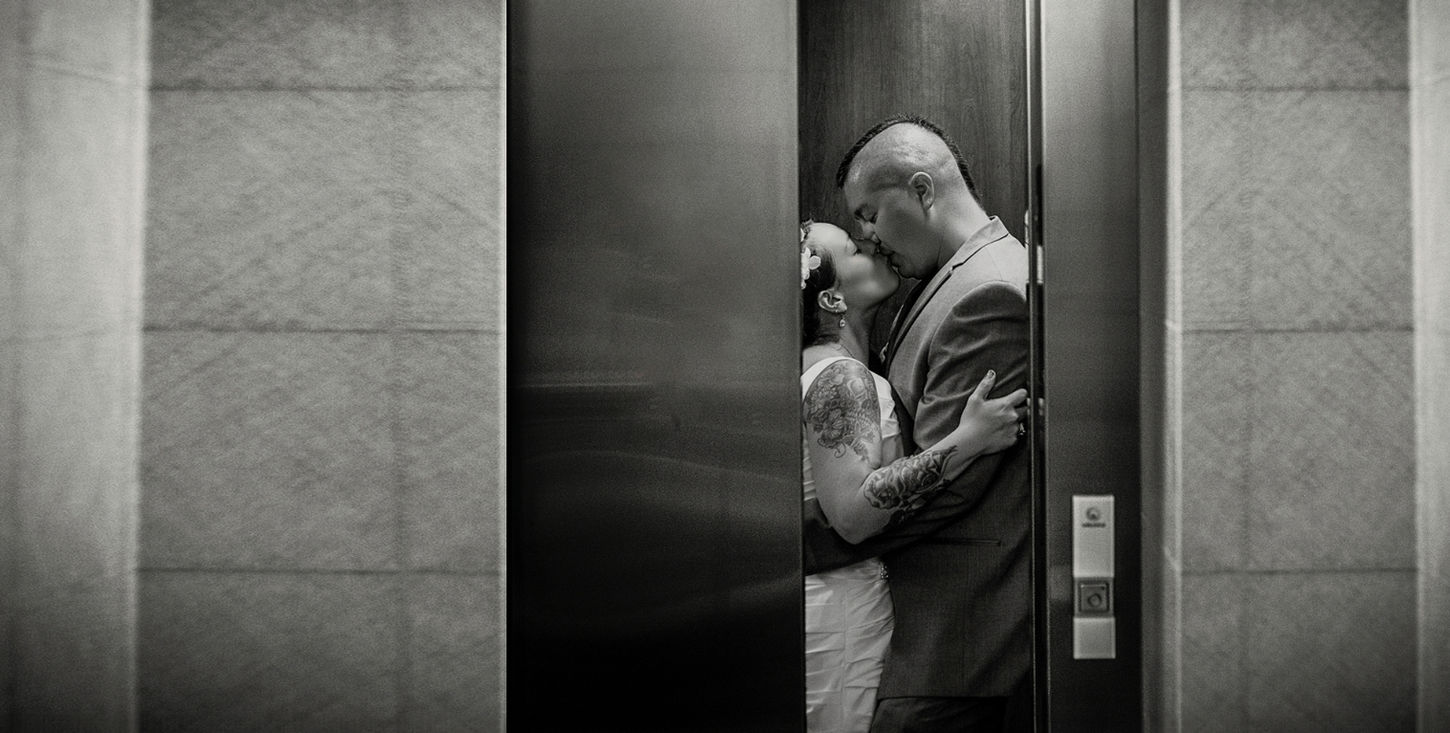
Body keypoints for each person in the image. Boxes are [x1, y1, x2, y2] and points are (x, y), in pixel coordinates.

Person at [802, 115, 1035, 732]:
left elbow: (957, 485)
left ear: (923, 191)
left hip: (954, 634)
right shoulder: (938, 280)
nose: (868, 236)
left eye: (869, 214)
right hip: (914, 626)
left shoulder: (988, 293)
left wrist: (815, 538)